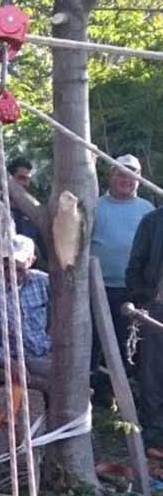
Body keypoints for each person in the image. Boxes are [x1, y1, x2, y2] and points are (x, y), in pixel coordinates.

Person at [91, 154, 152, 400]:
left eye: (132, 174)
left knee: (131, 344)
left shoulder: (147, 210)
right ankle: (98, 396)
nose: (126, 179)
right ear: (110, 175)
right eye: (120, 173)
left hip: (134, 291)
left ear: (140, 178)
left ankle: (126, 396)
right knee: (97, 343)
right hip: (99, 288)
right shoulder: (95, 206)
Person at [0, 233, 52, 378]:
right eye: (6, 263)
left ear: (31, 261)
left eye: (17, 265)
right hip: (14, 360)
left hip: (47, 352)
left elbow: (64, 316)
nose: (11, 271)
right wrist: (9, 363)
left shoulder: (43, 282)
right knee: (62, 374)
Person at [125, 185, 163, 454]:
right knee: (152, 371)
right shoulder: (152, 222)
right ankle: (154, 432)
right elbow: (135, 266)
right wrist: (147, 299)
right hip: (156, 306)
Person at [6, 155, 47, 259]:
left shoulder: (34, 210)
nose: (26, 184)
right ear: (9, 179)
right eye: (21, 178)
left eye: (28, 179)